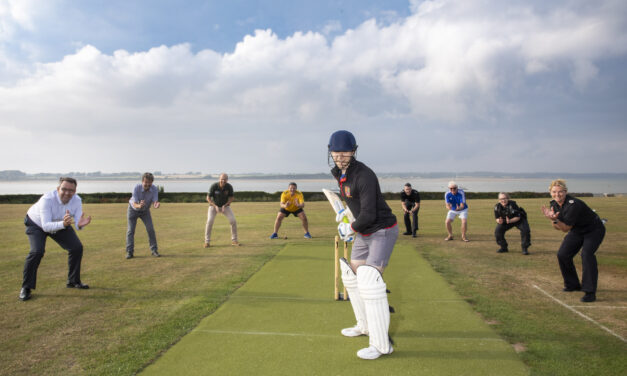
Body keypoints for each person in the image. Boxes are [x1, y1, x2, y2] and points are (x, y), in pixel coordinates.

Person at [329, 130, 398, 360]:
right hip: (364, 231)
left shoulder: (364, 175)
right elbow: (354, 203)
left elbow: (368, 214)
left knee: (370, 282)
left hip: (381, 230)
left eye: (344, 152)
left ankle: (381, 344)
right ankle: (365, 326)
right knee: (354, 277)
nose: (340, 157)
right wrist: (346, 214)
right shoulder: (339, 173)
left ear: (353, 151)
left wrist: (351, 228)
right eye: (336, 152)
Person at [19, 177, 92, 301]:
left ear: (75, 191)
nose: (67, 193)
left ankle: (73, 281)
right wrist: (63, 224)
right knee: (37, 252)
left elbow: (77, 220)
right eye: (64, 189)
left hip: (60, 222)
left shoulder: (77, 200)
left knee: (76, 248)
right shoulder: (47, 199)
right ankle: (26, 287)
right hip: (37, 224)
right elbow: (46, 226)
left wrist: (79, 225)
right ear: (58, 189)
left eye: (71, 190)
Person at [542, 179, 605, 303]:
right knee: (563, 254)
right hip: (577, 230)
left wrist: (554, 220)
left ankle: (590, 292)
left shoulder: (573, 204)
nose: (557, 195)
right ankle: (572, 285)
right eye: (554, 192)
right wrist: (553, 219)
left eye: (560, 192)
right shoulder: (554, 204)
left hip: (593, 230)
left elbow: (565, 228)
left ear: (565, 192)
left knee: (587, 255)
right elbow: (558, 226)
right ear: (550, 192)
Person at [126, 172, 161, 259]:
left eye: (150, 182)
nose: (148, 184)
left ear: (152, 182)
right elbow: (134, 204)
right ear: (142, 181)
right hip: (133, 210)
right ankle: (129, 252)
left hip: (145, 211)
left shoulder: (154, 189)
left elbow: (155, 202)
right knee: (131, 231)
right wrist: (139, 205)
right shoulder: (136, 188)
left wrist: (156, 205)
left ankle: (154, 250)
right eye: (146, 182)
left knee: (150, 229)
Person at [205, 173, 239, 247]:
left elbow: (231, 198)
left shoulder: (229, 187)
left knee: (233, 221)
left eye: (225, 179)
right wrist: (215, 206)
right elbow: (208, 198)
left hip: (225, 206)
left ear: (227, 180)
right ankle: (207, 242)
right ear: (219, 179)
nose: (223, 181)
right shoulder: (214, 186)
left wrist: (225, 205)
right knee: (209, 221)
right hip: (213, 206)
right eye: (222, 179)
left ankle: (234, 241)